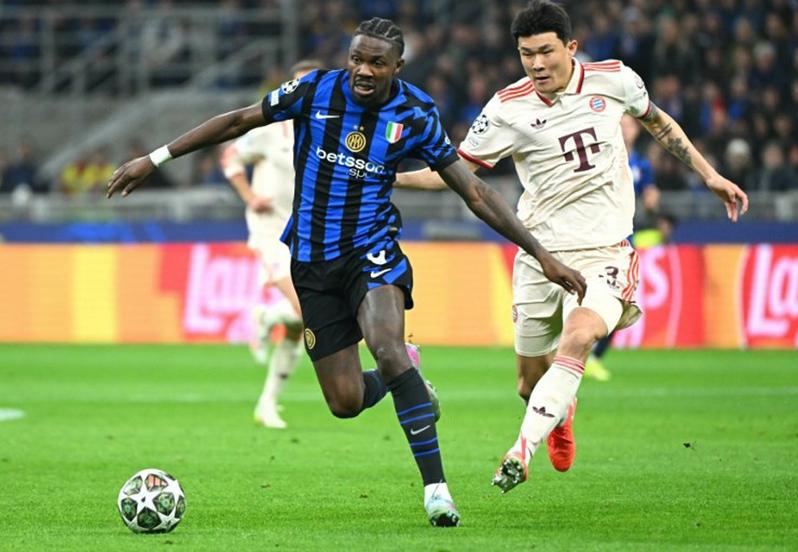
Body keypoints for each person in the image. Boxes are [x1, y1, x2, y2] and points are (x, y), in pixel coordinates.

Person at [107, 17, 586, 526]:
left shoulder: (416, 113)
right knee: (345, 401)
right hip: (312, 262)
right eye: (356, 58)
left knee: (387, 346)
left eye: (376, 63)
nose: (362, 70)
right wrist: (154, 158)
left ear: (397, 67)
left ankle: (437, 492)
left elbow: (475, 191)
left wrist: (541, 254)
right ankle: (409, 376)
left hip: (371, 251)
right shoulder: (314, 89)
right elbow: (238, 121)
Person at [395, 1, 748, 494]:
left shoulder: (615, 79)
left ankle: (521, 451)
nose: (537, 64)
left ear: (571, 48)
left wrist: (709, 175)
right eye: (526, 55)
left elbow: (658, 121)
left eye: (545, 52)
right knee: (527, 383)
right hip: (541, 254)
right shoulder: (505, 108)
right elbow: (453, 174)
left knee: (579, 337)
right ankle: (559, 415)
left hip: (605, 249)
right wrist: (384, 176)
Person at [218, 60, 322, 430]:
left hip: (306, 235)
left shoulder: (325, 132)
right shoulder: (269, 129)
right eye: (297, 85)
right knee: (306, 310)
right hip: (269, 231)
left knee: (298, 325)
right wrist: (248, 195)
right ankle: (267, 315)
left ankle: (267, 403)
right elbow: (229, 156)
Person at [584, 113, 661, 382]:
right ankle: (574, 353)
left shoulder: (641, 164)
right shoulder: (601, 156)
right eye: (621, 124)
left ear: (637, 130)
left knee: (619, 304)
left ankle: (593, 357)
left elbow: (649, 193)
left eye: (629, 124)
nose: (624, 129)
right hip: (594, 238)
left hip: (625, 239)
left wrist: (652, 199)